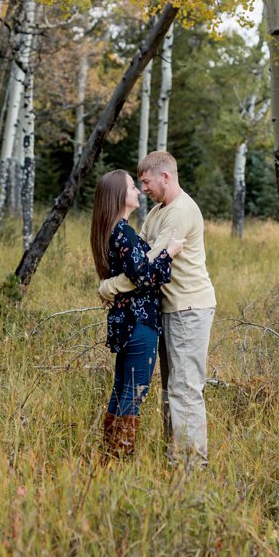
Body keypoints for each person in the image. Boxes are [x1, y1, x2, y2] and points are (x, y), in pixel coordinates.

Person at [99, 151, 216, 467]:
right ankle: (175, 459)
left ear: (165, 176)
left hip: (188, 308)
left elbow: (148, 266)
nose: (143, 188)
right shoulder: (156, 214)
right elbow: (139, 258)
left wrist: (108, 288)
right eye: (138, 183)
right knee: (171, 390)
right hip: (167, 308)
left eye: (146, 181)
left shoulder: (180, 213)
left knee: (185, 389)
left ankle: (192, 467)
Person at [90, 170, 182, 458]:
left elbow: (132, 274)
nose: (138, 191)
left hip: (125, 321)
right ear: (119, 195)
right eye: (132, 187)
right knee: (134, 391)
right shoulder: (123, 232)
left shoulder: (113, 230)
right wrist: (169, 253)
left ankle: (109, 454)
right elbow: (143, 276)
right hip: (139, 322)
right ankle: (119, 457)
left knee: (122, 389)